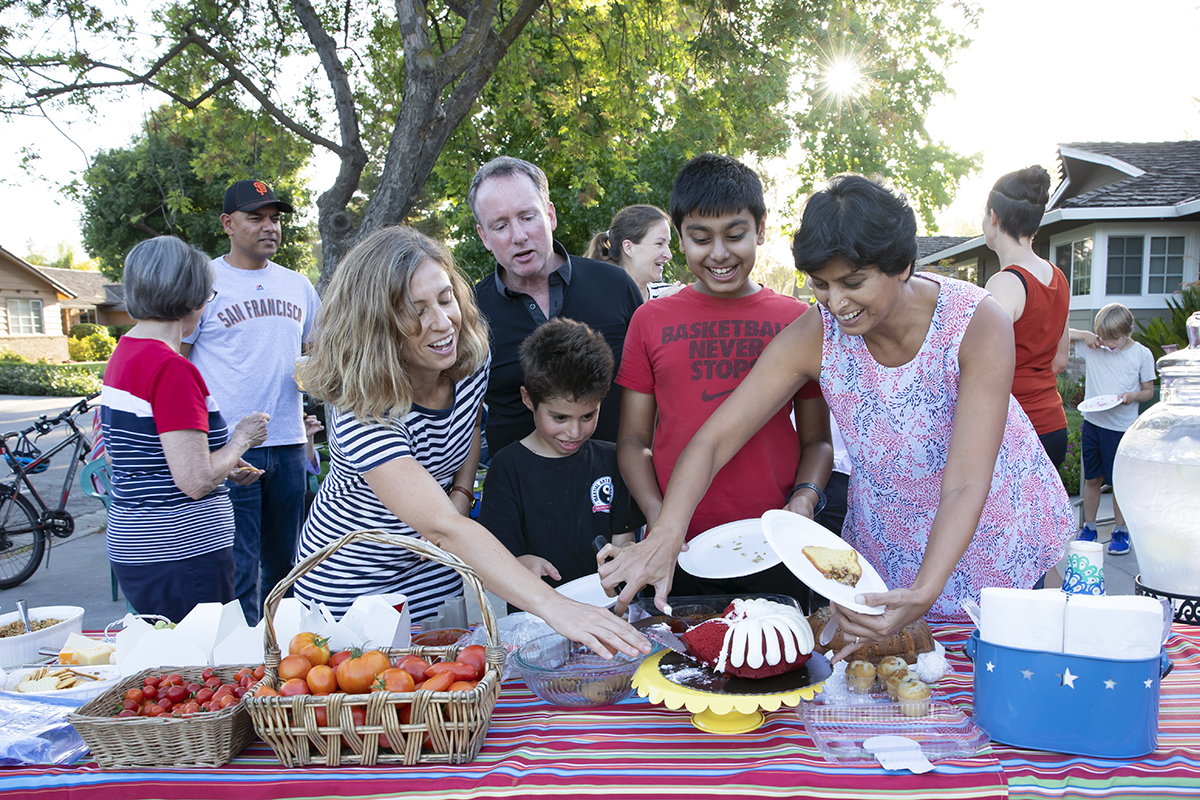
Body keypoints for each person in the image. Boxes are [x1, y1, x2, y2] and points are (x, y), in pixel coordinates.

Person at [601, 174, 1075, 657]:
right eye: (821, 284)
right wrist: (666, 533)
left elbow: (965, 483)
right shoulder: (817, 331)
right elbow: (714, 440)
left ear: (902, 265)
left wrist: (927, 587)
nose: (838, 303)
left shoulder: (976, 321)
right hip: (885, 543)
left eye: (853, 282)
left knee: (995, 683)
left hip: (994, 535)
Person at [293, 225, 649, 658]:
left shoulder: (467, 357)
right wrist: (559, 609)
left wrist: (461, 491)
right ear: (375, 324)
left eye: (445, 299)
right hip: (355, 587)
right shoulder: (363, 409)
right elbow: (443, 526)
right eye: (416, 311)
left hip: (436, 568)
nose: (442, 323)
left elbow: (470, 427)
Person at [606, 153, 833, 608]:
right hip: (679, 551)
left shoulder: (800, 322)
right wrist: (662, 519)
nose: (720, 253)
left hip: (772, 546)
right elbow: (633, 442)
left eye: (735, 234)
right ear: (680, 239)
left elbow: (818, 442)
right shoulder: (650, 320)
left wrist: (803, 502)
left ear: (761, 229)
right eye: (700, 238)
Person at [100, 236, 270, 622]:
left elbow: (130, 453)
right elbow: (194, 481)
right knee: (201, 670)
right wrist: (242, 440)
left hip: (138, 543)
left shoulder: (125, 352)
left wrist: (226, 467)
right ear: (192, 299)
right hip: (181, 551)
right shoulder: (172, 369)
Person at [181, 179, 321, 625]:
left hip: (288, 442)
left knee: (288, 567)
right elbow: (178, 362)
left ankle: (286, 658)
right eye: (255, 217)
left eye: (275, 218)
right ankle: (242, 666)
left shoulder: (298, 285)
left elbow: (316, 355)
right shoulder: (203, 282)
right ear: (227, 223)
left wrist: (315, 412)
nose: (269, 227)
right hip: (228, 449)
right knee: (238, 568)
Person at [471, 156, 643, 454]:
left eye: (527, 217)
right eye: (500, 226)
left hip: (618, 487)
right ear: (484, 236)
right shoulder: (469, 311)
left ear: (550, 215)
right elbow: (468, 419)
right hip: (520, 493)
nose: (519, 236)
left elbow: (647, 391)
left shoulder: (615, 285)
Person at [480, 318, 644, 588]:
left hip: (608, 612)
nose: (575, 431)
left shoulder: (613, 460)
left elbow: (624, 538)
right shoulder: (507, 468)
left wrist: (624, 556)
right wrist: (520, 564)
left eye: (588, 416)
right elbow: (494, 561)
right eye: (559, 418)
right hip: (537, 619)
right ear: (528, 399)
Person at [983, 165, 1071, 468]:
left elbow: (983, 365)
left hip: (1017, 431)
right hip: (1053, 424)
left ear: (994, 217)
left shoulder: (1006, 283)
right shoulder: (1058, 277)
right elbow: (1059, 361)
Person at [1069, 303, 1156, 555]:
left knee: (1119, 481)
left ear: (1129, 330)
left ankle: (1120, 530)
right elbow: (1059, 334)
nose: (1109, 344)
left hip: (1121, 429)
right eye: (1104, 337)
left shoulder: (1141, 354)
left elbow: (1148, 391)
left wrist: (1134, 395)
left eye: (1114, 338)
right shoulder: (1094, 347)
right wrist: (1085, 335)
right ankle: (1090, 527)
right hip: (1094, 424)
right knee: (1092, 478)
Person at [585, 205, 681, 300]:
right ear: (628, 248)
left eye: (667, 244)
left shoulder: (668, 293)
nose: (668, 255)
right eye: (659, 243)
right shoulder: (600, 299)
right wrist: (656, 309)